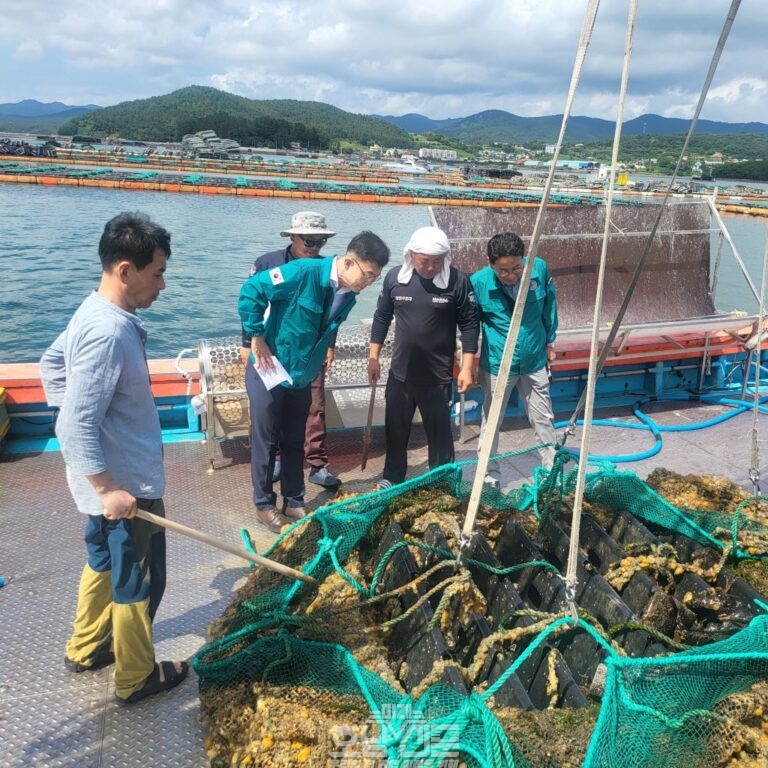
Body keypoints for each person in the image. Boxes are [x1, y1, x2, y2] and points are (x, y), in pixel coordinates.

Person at [39, 212, 188, 705]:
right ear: (126, 270)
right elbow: (74, 424)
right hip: (124, 492)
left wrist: (93, 477)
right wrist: (107, 487)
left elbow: (50, 365)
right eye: (158, 273)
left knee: (102, 563)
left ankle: (85, 648)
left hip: (98, 485)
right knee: (138, 581)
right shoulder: (109, 333)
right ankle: (135, 677)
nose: (163, 285)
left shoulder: (93, 311)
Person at [239, 230, 390, 532]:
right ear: (349, 262)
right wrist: (256, 336)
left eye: (374, 278)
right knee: (266, 441)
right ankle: (264, 504)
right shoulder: (302, 271)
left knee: (296, 439)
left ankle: (294, 501)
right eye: (367, 275)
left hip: (301, 376)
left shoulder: (348, 294)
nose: (368, 283)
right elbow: (251, 291)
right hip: (271, 368)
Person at [367, 226, 479, 489]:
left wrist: (466, 366)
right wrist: (374, 357)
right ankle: (392, 477)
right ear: (411, 255)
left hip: (437, 376)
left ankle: (442, 478)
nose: (430, 267)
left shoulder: (458, 282)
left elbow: (470, 324)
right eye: (424, 261)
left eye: (437, 262)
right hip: (400, 373)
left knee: (439, 434)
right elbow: (382, 317)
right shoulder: (396, 278)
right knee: (396, 430)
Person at [240, 211, 342, 490]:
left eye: (320, 242)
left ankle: (317, 465)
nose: (314, 247)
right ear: (293, 237)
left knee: (315, 407)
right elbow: (249, 298)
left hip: (309, 354)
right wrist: (247, 342)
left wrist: (330, 346)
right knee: (270, 413)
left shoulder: (325, 271)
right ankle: (274, 464)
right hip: (269, 351)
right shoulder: (267, 263)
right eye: (309, 241)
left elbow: (332, 314)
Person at [470, 231, 558, 488]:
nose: (511, 275)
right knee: (491, 422)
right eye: (503, 271)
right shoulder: (479, 283)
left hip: (533, 359)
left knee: (543, 417)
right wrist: (467, 360)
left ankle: (551, 472)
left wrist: (550, 342)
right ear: (491, 264)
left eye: (516, 268)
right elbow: (469, 325)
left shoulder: (539, 269)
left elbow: (550, 306)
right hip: (498, 363)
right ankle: (489, 477)